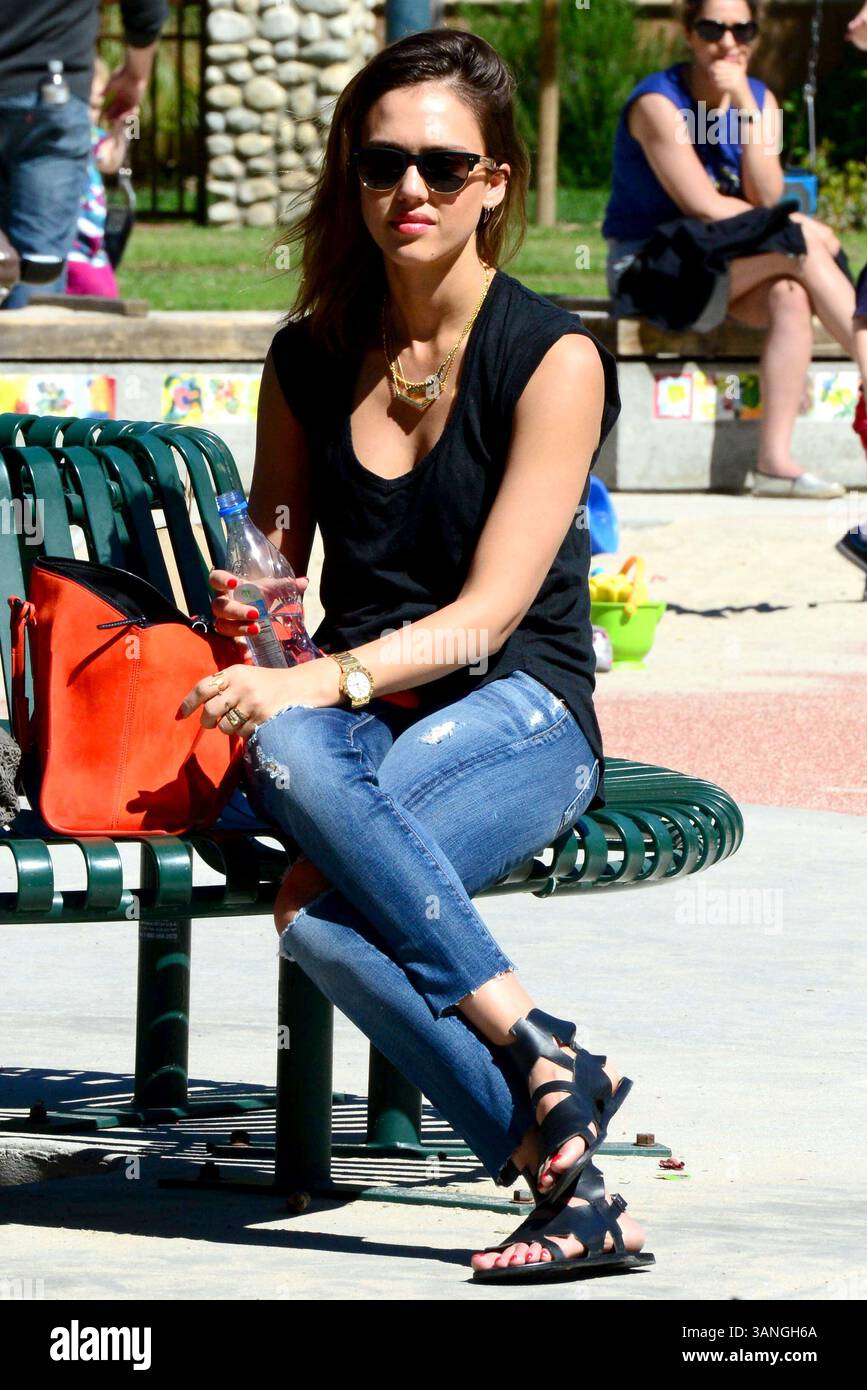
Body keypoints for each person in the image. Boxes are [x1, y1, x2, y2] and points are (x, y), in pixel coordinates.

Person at [178, 29, 653, 1282]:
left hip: (521, 712)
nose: (413, 191)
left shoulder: (550, 357)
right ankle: (553, 1097)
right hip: (362, 721)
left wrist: (317, 678)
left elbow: (488, 618)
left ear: (497, 180)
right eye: (383, 162)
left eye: (445, 165)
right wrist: (258, 607)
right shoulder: (310, 356)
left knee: (318, 913)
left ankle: (540, 1079)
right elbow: (276, 575)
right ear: (354, 173)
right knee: (294, 781)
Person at [602, 0, 861, 499]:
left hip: (723, 266)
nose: (728, 41)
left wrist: (745, 104)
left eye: (743, 29)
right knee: (798, 245)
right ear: (687, 35)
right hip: (651, 268)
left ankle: (774, 464)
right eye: (712, 28)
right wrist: (800, 225)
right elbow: (701, 206)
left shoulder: (759, 99)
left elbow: (767, 198)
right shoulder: (659, 103)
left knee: (790, 290)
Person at [0, 0, 167, 309]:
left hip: (47, 97)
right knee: (39, 268)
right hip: (49, 88)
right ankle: (31, 341)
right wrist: (136, 72)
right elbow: (146, 9)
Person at [65, 58, 129, 299]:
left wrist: (121, 130)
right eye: (85, 104)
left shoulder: (92, 135)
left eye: (95, 107)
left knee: (108, 294)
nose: (89, 114)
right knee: (100, 295)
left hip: (93, 243)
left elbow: (110, 161)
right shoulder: (60, 136)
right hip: (72, 241)